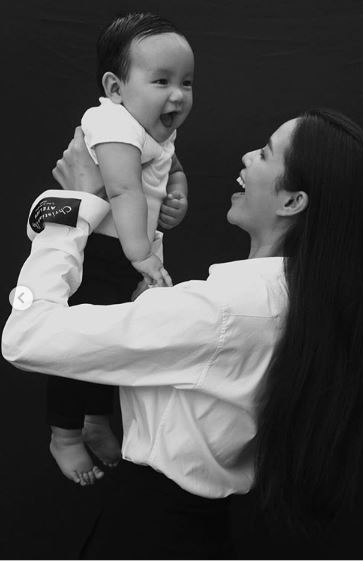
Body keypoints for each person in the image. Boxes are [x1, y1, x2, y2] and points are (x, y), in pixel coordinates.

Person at [2, 108, 363, 557]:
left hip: (147, 538)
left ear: (292, 202)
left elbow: (26, 337)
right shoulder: (291, 303)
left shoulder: (224, 311)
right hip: (193, 530)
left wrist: (68, 205)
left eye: (265, 153)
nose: (247, 157)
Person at [44, 12, 194, 485]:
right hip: (98, 253)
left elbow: (171, 169)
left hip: (127, 254)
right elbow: (123, 189)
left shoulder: (156, 129)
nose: (178, 94)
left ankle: (96, 419)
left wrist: (178, 197)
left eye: (187, 82)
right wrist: (142, 255)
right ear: (115, 87)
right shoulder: (111, 122)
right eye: (162, 81)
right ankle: (64, 433)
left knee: (112, 344)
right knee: (76, 345)